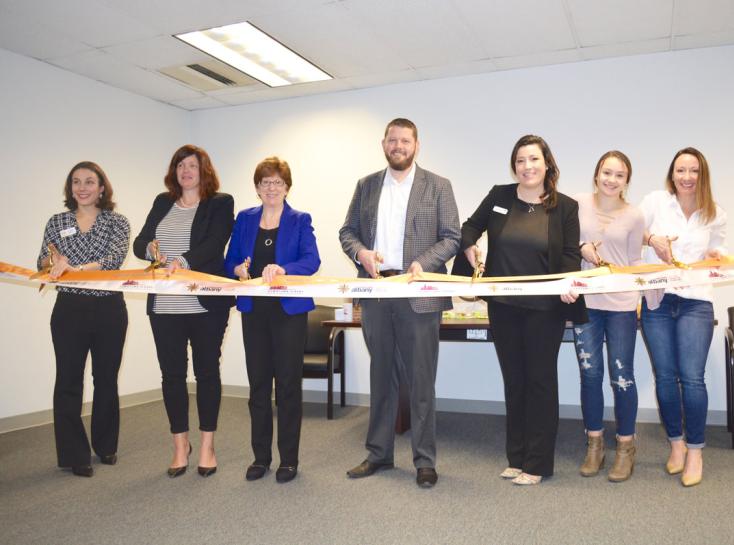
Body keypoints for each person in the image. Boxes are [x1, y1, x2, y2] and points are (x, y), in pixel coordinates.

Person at [339, 118, 460, 488]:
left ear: (416, 145)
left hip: (418, 293)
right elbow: (347, 232)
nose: (398, 146)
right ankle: (379, 454)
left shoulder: (438, 186)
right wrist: (361, 255)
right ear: (384, 144)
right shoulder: (367, 186)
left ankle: (425, 460)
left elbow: (452, 237)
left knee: (421, 380)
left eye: (405, 141)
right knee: (381, 377)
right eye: (392, 140)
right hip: (377, 292)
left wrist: (424, 263)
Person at [460, 134, 586, 485]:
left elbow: (570, 256)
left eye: (533, 159)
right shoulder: (500, 196)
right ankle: (516, 457)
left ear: (547, 163)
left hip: (544, 309)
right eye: (520, 161)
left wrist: (568, 285)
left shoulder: (566, 207)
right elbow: (470, 226)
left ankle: (538, 463)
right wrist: (469, 245)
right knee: (514, 381)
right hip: (503, 306)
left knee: (540, 382)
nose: (527, 167)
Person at [133, 145, 234, 478]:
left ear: (204, 170)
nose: (186, 171)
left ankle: (207, 445)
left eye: (192, 165)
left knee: (206, 373)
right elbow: (140, 242)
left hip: (204, 304)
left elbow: (214, 244)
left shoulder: (220, 203)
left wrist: (182, 262)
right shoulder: (163, 202)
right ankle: (180, 445)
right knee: (172, 376)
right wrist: (151, 250)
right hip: (164, 305)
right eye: (180, 165)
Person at [224, 157, 320, 484]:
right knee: (259, 387)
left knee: (289, 387)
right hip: (254, 312)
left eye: (277, 182)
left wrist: (284, 270)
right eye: (265, 182)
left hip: (289, 313)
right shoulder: (245, 219)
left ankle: (288, 460)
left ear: (287, 187)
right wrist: (237, 270)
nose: (271, 188)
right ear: (257, 188)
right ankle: (261, 457)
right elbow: (230, 262)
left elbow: (312, 261)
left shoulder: (299, 219)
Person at [640, 147, 726, 487]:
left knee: (692, 378)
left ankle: (695, 450)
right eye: (681, 170)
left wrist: (717, 255)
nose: (687, 177)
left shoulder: (715, 213)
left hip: (696, 300)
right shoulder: (655, 202)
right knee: (664, 376)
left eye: (693, 171)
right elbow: (632, 231)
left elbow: (720, 249)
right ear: (671, 174)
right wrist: (653, 238)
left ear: (702, 175)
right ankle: (675, 444)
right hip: (658, 299)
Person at [38, 161, 129, 477]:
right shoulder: (57, 221)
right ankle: (74, 455)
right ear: (70, 188)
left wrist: (73, 268)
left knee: (105, 379)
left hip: (109, 310)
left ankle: (106, 446)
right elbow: (43, 260)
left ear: (102, 187)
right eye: (76, 182)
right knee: (68, 381)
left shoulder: (117, 222)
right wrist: (53, 261)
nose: (83, 187)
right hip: (69, 310)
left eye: (90, 182)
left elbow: (112, 261)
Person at [574, 151, 644, 482]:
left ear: (626, 181)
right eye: (606, 172)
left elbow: (633, 261)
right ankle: (594, 445)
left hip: (621, 305)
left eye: (619, 175)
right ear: (596, 174)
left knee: (621, 377)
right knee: (590, 375)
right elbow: (561, 241)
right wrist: (580, 247)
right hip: (587, 303)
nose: (611, 180)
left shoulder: (634, 215)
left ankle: (626, 448)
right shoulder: (577, 204)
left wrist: (642, 297)